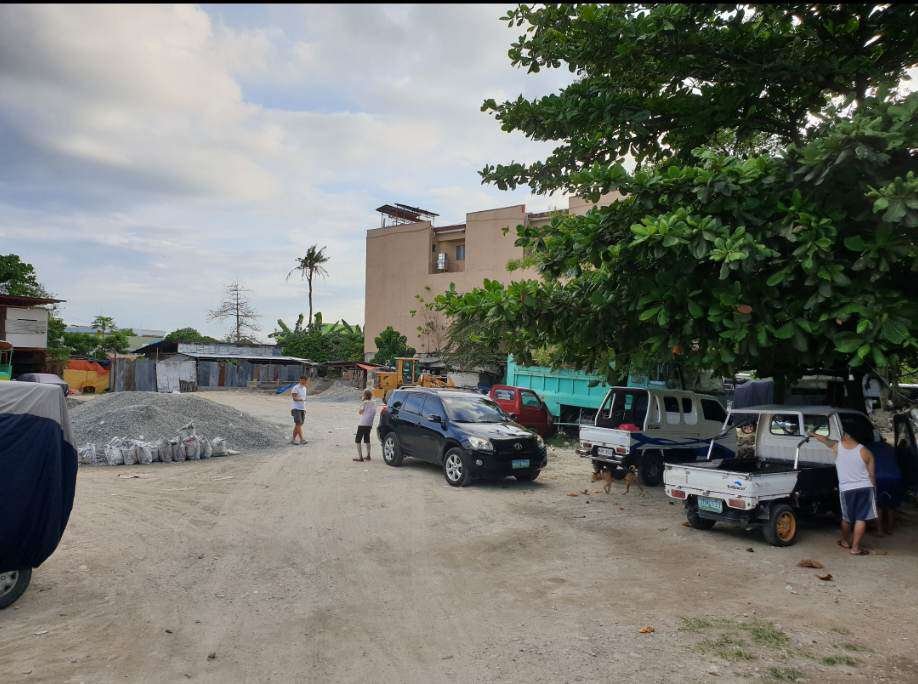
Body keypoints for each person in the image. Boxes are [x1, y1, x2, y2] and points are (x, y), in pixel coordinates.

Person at [809, 428, 877, 555]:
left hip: (847, 489)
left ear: (849, 435)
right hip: (865, 487)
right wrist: (873, 490)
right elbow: (872, 475)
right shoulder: (867, 452)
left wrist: (812, 434)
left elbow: (824, 439)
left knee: (846, 518)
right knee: (861, 518)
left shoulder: (837, 447)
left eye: (844, 433)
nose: (842, 435)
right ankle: (855, 548)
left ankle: (845, 542)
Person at [871, 438, 903, 536]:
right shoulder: (889, 447)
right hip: (896, 477)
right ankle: (890, 529)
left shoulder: (869, 448)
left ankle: (879, 531)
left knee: (878, 506)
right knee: (891, 506)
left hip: (879, 478)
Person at [354, 390, 376, 462]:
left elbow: (360, 412)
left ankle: (360, 457)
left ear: (365, 396)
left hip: (363, 423)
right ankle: (368, 455)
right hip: (369, 424)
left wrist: (362, 402)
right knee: (367, 439)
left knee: (358, 440)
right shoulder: (373, 403)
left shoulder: (364, 403)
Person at [290, 375, 309, 445]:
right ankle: (302, 439)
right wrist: (300, 399)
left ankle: (293, 440)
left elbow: (304, 399)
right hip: (296, 408)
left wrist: (305, 409)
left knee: (299, 424)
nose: (303, 381)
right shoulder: (296, 388)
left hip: (302, 408)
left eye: (305, 380)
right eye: (302, 380)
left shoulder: (305, 388)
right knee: (298, 423)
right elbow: (294, 398)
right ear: (300, 380)